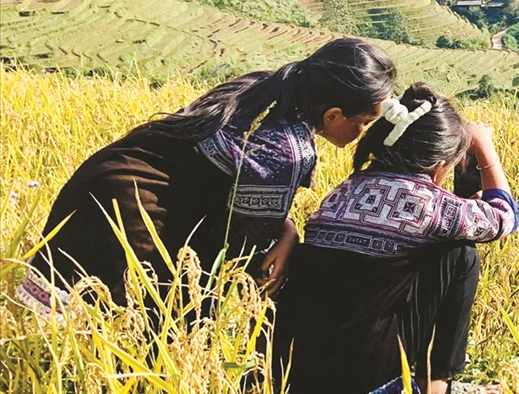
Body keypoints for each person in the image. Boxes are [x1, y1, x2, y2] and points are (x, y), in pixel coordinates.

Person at [18, 39, 395, 315]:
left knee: (77, 323)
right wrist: (288, 237)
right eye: (363, 122)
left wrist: (285, 227)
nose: (362, 133)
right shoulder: (289, 150)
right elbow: (240, 244)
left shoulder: (268, 86)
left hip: (104, 177)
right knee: (138, 323)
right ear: (332, 115)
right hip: (134, 209)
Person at [274, 83, 519, 394]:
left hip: (295, 384)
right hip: (361, 393)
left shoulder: (342, 193)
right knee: (459, 254)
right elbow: (505, 218)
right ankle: (432, 390)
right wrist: (483, 147)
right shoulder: (433, 209)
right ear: (438, 165)